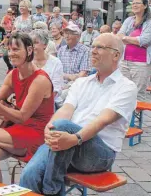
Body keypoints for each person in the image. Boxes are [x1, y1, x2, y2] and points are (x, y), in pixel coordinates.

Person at [20, 34, 137, 195]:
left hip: (99, 153)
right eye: (93, 46)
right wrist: (49, 127)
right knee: (29, 175)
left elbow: (103, 120)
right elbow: (66, 109)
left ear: (116, 55)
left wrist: (75, 139)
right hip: (66, 141)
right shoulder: (82, 82)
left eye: (100, 47)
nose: (93, 51)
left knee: (63, 127)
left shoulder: (127, 87)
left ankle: (51, 190)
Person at [0, 32, 54, 183]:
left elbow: (21, 116)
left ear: (29, 50)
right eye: (10, 49)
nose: (11, 54)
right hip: (18, 129)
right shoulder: (13, 74)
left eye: (16, 49)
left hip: (36, 133)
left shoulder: (40, 80)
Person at [117, 0, 151, 101]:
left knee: (138, 94)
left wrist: (126, 38)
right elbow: (119, 35)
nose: (134, 5)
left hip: (141, 64)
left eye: (137, 3)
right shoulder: (129, 20)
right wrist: (135, 40)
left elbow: (144, 40)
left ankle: (135, 117)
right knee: (123, 91)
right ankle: (125, 117)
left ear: (145, 6)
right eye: (133, 3)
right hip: (124, 61)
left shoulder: (149, 22)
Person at [57, 23, 91, 104]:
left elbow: (82, 75)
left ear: (78, 36)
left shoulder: (85, 50)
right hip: (60, 83)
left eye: (70, 33)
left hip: (76, 85)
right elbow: (57, 71)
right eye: (65, 33)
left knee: (59, 98)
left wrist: (65, 77)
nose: (67, 36)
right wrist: (69, 77)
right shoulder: (61, 50)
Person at [31, 29, 64, 104]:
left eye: (35, 43)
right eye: (31, 43)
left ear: (45, 45)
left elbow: (56, 89)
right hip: (28, 101)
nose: (32, 46)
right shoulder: (26, 61)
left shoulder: (56, 62)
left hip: (49, 102)